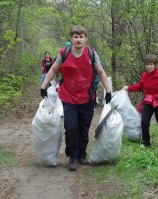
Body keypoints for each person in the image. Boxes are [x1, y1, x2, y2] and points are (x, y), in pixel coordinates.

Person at [40, 25, 112, 171]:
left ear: (86, 39)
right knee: (71, 127)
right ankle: (72, 156)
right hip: (68, 96)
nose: (78, 39)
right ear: (71, 38)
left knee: (84, 128)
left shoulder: (91, 53)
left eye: (81, 37)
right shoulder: (64, 53)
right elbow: (53, 69)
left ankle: (82, 154)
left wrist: (108, 91)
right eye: (75, 37)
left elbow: (101, 73)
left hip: (87, 97)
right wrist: (44, 85)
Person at [123, 54, 158, 148]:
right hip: (148, 102)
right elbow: (140, 86)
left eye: (151, 64)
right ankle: (146, 142)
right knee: (144, 122)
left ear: (154, 65)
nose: (149, 66)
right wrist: (128, 88)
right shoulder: (144, 75)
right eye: (147, 64)